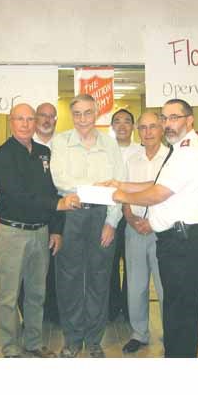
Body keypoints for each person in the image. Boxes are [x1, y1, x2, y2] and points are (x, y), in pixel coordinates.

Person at [105, 99, 198, 358]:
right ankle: (173, 354)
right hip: (176, 240)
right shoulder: (181, 149)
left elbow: (157, 194)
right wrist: (119, 183)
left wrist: (118, 195)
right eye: (165, 118)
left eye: (173, 118)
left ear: (190, 120)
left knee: (181, 309)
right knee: (177, 308)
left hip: (183, 242)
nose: (167, 124)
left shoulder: (188, 151)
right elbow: (154, 183)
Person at [0, 103, 79, 358]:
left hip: (41, 233)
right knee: (9, 295)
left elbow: (52, 191)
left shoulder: (44, 153)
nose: (26, 124)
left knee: (37, 292)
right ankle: (10, 346)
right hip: (12, 233)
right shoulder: (2, 156)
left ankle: (33, 342)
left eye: (30, 119)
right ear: (11, 121)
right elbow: (18, 195)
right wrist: (56, 204)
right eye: (20, 119)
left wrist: (56, 229)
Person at [51, 94, 125, 358]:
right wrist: (96, 188)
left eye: (88, 113)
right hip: (71, 215)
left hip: (101, 217)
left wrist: (111, 222)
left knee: (99, 279)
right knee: (68, 279)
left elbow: (118, 184)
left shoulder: (109, 144)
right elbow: (61, 181)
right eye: (78, 113)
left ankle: (94, 340)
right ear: (72, 116)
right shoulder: (60, 142)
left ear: (97, 114)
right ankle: (72, 339)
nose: (83, 119)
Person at [121, 112, 166, 353]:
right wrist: (129, 216)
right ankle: (139, 333)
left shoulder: (171, 158)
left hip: (162, 231)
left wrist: (153, 222)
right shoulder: (132, 159)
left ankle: (171, 331)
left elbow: (172, 194)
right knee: (136, 285)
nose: (148, 132)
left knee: (164, 285)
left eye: (153, 127)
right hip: (134, 228)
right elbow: (125, 191)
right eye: (143, 128)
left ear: (162, 128)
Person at [18, 102, 60, 325]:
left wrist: (57, 228)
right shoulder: (25, 147)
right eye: (41, 115)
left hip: (54, 219)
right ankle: (30, 318)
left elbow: (60, 191)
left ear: (56, 120)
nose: (46, 120)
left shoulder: (61, 147)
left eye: (51, 116)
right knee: (27, 275)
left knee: (53, 271)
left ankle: (51, 313)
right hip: (25, 222)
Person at [109, 108, 141, 322]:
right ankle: (111, 309)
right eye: (117, 121)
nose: (122, 125)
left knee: (133, 266)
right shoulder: (104, 150)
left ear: (133, 127)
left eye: (127, 121)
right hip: (109, 217)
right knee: (109, 265)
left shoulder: (141, 150)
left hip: (133, 216)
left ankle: (131, 311)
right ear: (112, 126)